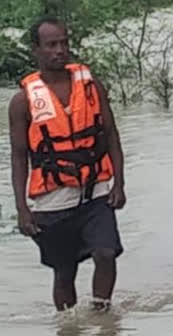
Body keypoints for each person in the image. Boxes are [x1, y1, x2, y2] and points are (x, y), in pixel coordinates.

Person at [8, 17, 126, 312]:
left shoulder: (90, 85)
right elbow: (19, 156)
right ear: (36, 50)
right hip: (52, 200)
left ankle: (102, 318)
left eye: (64, 42)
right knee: (64, 271)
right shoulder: (22, 102)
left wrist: (119, 184)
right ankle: (68, 324)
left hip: (95, 190)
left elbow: (110, 134)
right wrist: (22, 209)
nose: (60, 50)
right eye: (51, 45)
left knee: (106, 253)